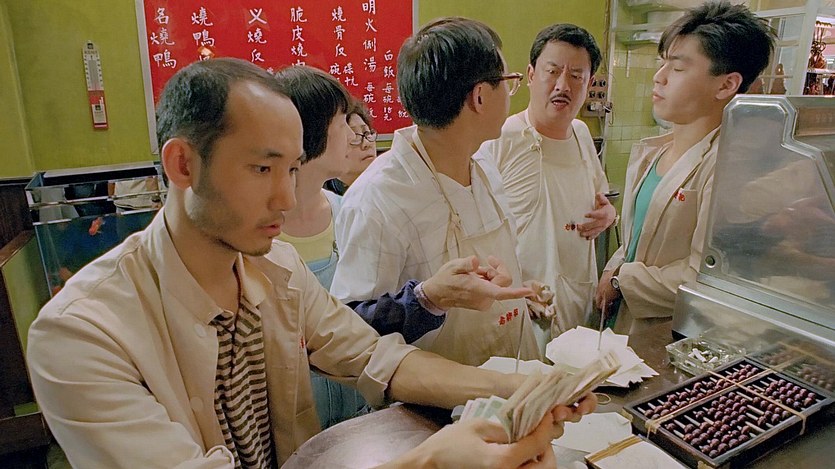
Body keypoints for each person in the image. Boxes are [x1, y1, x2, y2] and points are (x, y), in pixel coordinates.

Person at [27, 57, 594, 468]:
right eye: (262, 169)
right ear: (182, 165)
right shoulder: (82, 335)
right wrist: (427, 461)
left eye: (294, 169)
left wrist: (523, 387)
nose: (285, 197)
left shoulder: (275, 269)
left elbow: (376, 358)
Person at [273, 65, 531, 429]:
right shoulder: (364, 203)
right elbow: (355, 326)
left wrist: (508, 387)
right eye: (343, 122)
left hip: (361, 405)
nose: (356, 134)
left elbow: (360, 348)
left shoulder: (338, 208)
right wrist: (428, 297)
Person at [332, 17, 544, 367]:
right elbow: (347, 330)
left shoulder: (484, 163)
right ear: (480, 96)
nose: (511, 93)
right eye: (508, 82)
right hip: (435, 395)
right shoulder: (378, 198)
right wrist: (427, 298)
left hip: (511, 374)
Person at [595, 0, 775, 334]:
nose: (659, 77)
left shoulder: (729, 169)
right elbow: (637, 240)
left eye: (677, 69)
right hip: (626, 323)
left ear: (726, 85)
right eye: (663, 63)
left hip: (673, 333)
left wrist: (622, 280)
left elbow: (702, 275)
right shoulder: (653, 153)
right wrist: (614, 267)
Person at [479, 24, 616, 347]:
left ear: (589, 84)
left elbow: (601, 197)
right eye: (552, 72)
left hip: (577, 299)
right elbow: (475, 231)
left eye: (576, 76)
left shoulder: (582, 134)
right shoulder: (500, 138)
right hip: (519, 308)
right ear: (530, 75)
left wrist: (609, 215)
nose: (562, 85)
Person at [324, 98, 378, 195]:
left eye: (367, 133)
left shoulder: (389, 184)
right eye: (355, 137)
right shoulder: (324, 197)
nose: (366, 144)